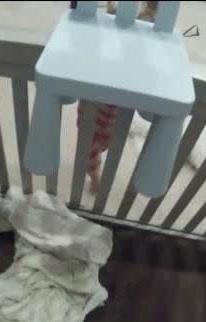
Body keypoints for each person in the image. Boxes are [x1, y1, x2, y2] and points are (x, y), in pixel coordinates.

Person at [79, 1, 158, 193]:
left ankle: (95, 170)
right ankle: (95, 172)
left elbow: (151, 18)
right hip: (98, 97)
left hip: (114, 99)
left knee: (99, 141)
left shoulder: (144, 26)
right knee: (90, 144)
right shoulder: (115, 21)